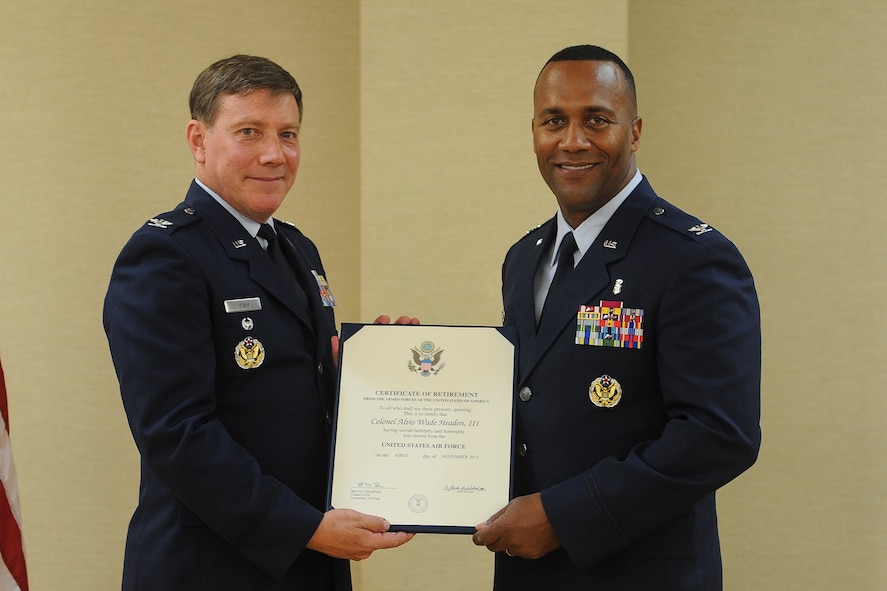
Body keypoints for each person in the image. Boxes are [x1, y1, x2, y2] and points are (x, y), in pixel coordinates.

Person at [103, 55, 414, 591]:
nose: (275, 154)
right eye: (249, 132)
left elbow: (289, 396)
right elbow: (176, 435)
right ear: (198, 140)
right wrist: (306, 528)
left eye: (288, 134)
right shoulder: (164, 255)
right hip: (211, 565)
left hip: (307, 559)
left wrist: (378, 378)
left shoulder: (295, 247)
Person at [472, 45, 761, 590]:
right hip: (529, 573)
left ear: (634, 131)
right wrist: (409, 374)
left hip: (638, 573)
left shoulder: (692, 257)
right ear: (533, 130)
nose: (573, 141)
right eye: (554, 120)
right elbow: (535, 397)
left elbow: (720, 434)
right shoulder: (525, 257)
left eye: (597, 120)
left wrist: (564, 515)